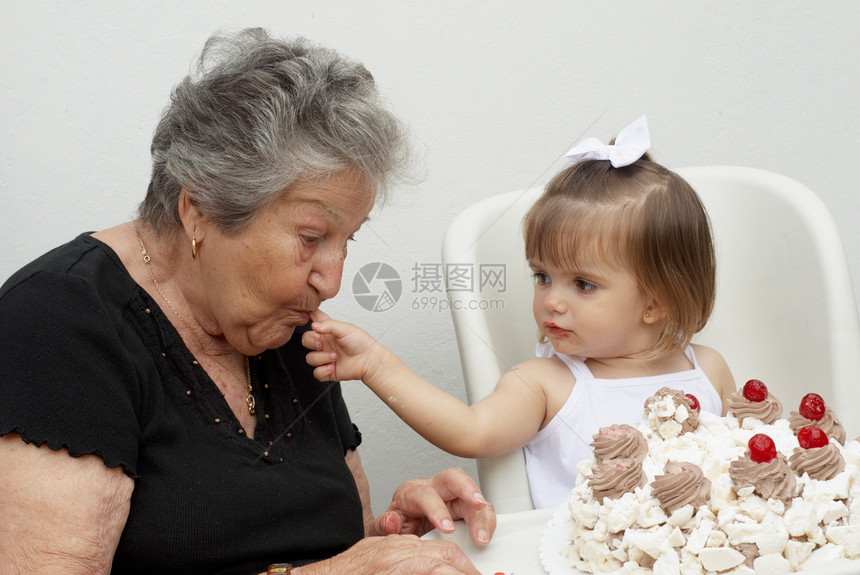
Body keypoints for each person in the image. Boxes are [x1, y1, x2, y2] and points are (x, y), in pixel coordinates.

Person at [0, 28, 494, 574]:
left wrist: (389, 537)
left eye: (346, 240)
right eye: (311, 238)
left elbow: (318, 547)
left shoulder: (280, 324)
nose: (331, 281)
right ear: (200, 209)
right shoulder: (57, 323)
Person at [303, 116, 737, 509]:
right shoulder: (546, 383)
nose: (552, 300)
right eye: (543, 276)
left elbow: (744, 471)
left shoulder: (709, 370)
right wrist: (377, 365)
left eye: (583, 284)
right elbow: (469, 430)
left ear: (656, 302)